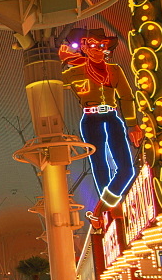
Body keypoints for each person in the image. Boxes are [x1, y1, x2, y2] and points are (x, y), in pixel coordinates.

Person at [60, 28, 142, 208]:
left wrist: (132, 125)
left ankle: (108, 202)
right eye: (92, 44)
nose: (97, 48)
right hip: (90, 120)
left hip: (112, 118)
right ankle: (109, 210)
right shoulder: (74, 73)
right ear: (85, 47)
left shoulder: (115, 70)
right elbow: (51, 81)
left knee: (126, 169)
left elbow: (127, 97)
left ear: (107, 48)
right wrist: (60, 59)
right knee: (99, 164)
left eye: (102, 45)